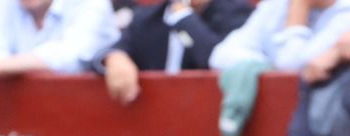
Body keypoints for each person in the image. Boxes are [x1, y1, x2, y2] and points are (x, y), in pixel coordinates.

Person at [0, 0, 117, 113]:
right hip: (22, 126)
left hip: (89, 120)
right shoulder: (8, 5)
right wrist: (6, 67)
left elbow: (71, 57)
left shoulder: (91, 3)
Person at [95, 0, 250, 105]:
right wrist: (115, 57)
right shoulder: (147, 19)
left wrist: (184, 18)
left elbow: (217, 58)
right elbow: (114, 49)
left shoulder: (236, 14)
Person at [207, 0, 350, 73]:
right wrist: (267, 68)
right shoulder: (276, 4)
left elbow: (291, 67)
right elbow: (220, 56)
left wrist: (299, 9)